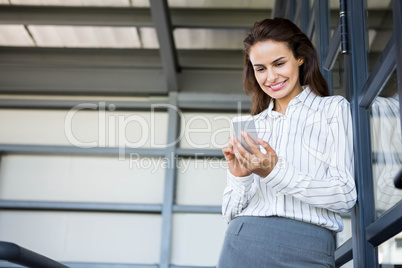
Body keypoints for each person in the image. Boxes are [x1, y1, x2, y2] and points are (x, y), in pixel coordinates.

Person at [217, 18, 357, 268]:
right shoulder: (252, 125)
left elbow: (345, 194)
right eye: (260, 68)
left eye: (279, 63)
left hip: (310, 245)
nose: (271, 77)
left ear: (300, 57)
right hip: (243, 241)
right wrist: (239, 177)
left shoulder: (332, 110)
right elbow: (229, 213)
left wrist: (274, 172)